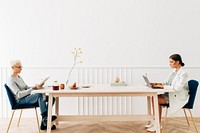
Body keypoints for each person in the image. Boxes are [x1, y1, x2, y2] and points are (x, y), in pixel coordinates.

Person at [7, 60, 57, 130]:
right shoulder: (10, 80)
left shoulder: (19, 77)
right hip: (21, 100)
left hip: (27, 97)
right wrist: (33, 89)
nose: (21, 68)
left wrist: (36, 86)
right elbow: (19, 94)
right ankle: (46, 119)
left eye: (21, 66)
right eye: (19, 67)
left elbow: (27, 87)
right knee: (40, 95)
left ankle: (44, 121)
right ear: (12, 67)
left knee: (52, 98)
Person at [146, 54, 189, 132]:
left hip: (178, 97)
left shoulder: (183, 74)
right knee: (153, 98)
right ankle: (156, 122)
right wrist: (157, 84)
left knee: (156, 99)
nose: (170, 64)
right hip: (170, 94)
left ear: (177, 62)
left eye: (171, 62)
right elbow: (167, 82)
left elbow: (177, 88)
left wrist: (162, 87)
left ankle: (157, 124)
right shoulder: (174, 72)